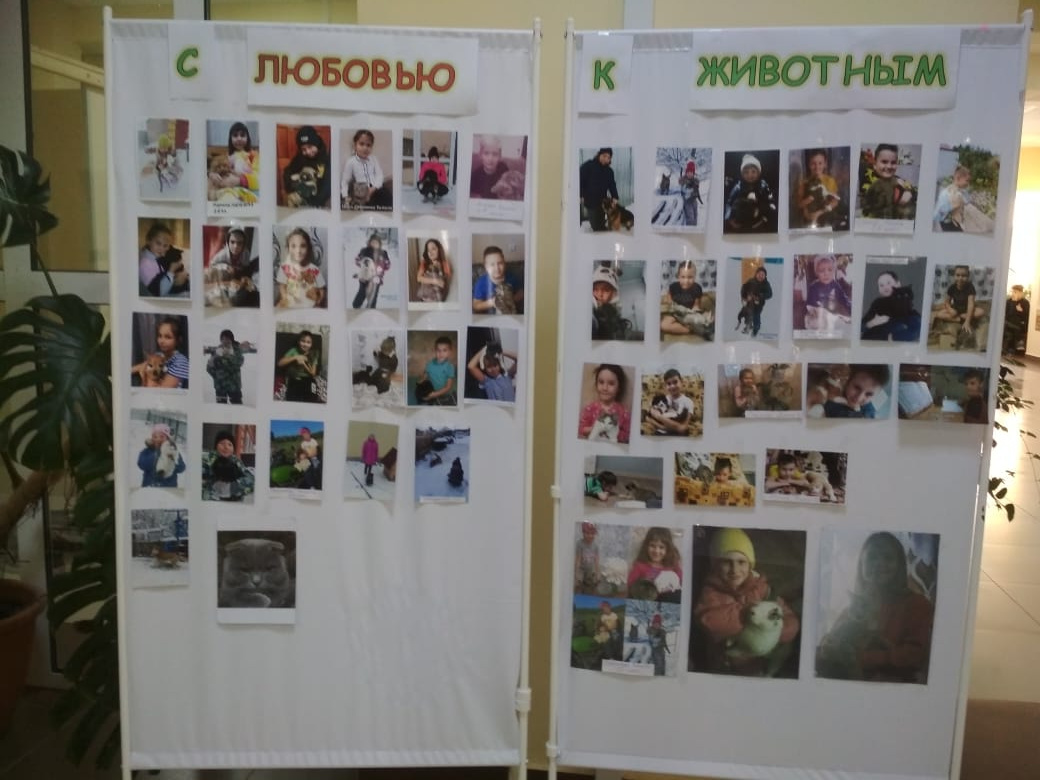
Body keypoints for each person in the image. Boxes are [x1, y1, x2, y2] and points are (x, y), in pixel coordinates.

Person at [816, 532, 934, 683]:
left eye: (888, 558)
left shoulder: (917, 604)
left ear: (899, 565)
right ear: (862, 564)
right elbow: (831, 642)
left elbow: (914, 656)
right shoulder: (854, 608)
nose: (878, 563)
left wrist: (863, 658)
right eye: (872, 557)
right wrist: (826, 647)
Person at [693, 528, 799, 676]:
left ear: (750, 565)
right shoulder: (711, 592)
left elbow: (787, 616)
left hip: (759, 662)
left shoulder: (762, 587)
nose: (735, 569)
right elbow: (711, 621)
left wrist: (777, 631)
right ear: (716, 565)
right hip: (726, 665)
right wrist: (749, 612)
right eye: (727, 562)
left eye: (741, 562)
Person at [859, 143, 916, 221]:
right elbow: (869, 202)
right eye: (884, 162)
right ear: (875, 164)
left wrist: (910, 192)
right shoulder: (867, 179)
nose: (889, 166)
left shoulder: (898, 179)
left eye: (893, 163)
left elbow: (914, 190)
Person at [931, 265, 983, 349]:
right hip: (956, 308)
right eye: (958, 275)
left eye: (964, 276)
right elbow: (947, 302)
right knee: (939, 314)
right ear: (954, 276)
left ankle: (960, 319)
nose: (960, 278)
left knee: (980, 312)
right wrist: (950, 309)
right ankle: (959, 318)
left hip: (966, 310)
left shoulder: (970, 287)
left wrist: (967, 321)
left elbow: (971, 304)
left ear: (968, 276)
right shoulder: (952, 287)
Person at [861, 270, 921, 342]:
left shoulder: (906, 304)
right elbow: (860, 327)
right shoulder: (877, 303)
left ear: (898, 283)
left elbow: (916, 331)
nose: (885, 287)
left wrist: (891, 337)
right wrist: (872, 323)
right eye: (881, 285)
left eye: (888, 283)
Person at [577, 364, 631, 444]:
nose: (605, 388)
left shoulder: (624, 413)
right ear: (596, 384)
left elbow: (628, 435)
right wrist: (594, 429)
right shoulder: (590, 409)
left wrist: (613, 432)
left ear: (619, 387)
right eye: (601, 382)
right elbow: (581, 429)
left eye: (611, 383)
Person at [627, 527, 682, 602]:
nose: (656, 551)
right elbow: (630, 585)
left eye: (661, 547)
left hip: (668, 601)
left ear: (668, 549)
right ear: (646, 546)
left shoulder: (673, 566)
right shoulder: (640, 566)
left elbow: (681, 583)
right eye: (652, 546)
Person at [724, 153, 777, 233]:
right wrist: (729, 218)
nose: (750, 175)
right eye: (746, 172)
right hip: (742, 218)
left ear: (758, 173)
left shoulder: (763, 185)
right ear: (742, 174)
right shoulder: (738, 187)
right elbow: (729, 203)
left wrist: (770, 205)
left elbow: (769, 198)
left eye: (753, 171)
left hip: (760, 218)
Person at [132, 316, 189, 389]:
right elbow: (140, 366)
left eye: (167, 337)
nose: (161, 341)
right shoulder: (159, 355)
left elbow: (161, 391)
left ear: (178, 340)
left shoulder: (181, 362)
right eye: (160, 336)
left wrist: (146, 374)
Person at [275, 228, 326, 308]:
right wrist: (285, 298)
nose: (298, 251)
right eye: (293, 246)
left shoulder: (314, 270)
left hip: (309, 306)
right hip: (291, 305)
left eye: (303, 246)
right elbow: (282, 286)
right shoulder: (285, 268)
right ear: (288, 248)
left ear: (308, 248)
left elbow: (321, 289)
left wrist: (318, 301)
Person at [281, 125, 330, 208]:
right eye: (303, 149)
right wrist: (291, 187)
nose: (308, 152)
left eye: (310, 147)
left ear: (316, 144)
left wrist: (313, 203)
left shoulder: (326, 160)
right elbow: (288, 171)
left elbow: (326, 187)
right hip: (300, 194)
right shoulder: (300, 157)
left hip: (317, 200)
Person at [209, 121, 259, 200]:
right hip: (227, 190)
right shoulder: (227, 157)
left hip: (248, 192)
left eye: (242, 135)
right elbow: (215, 169)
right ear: (230, 139)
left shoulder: (254, 155)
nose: (239, 138)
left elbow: (260, 179)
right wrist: (212, 175)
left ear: (248, 138)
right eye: (235, 135)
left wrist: (239, 181)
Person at [660, 260, 711, 338]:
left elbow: (697, 306)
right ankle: (689, 329)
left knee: (708, 319)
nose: (686, 281)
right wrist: (669, 302)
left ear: (695, 276)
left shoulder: (697, 288)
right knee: (663, 325)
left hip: (690, 313)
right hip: (676, 313)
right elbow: (669, 300)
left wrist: (696, 313)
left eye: (690, 277)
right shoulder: (673, 287)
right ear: (678, 276)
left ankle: (693, 326)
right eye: (683, 277)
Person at [794, 148, 842, 229]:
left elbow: (835, 202)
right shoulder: (804, 183)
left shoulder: (830, 181)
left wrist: (818, 213)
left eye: (820, 163)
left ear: (825, 164)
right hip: (809, 220)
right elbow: (799, 204)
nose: (817, 167)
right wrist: (807, 203)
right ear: (809, 165)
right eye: (813, 163)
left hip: (826, 218)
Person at [341, 129, 389, 210]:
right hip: (361, 191)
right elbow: (345, 181)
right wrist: (345, 196)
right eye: (361, 144)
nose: (365, 148)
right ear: (355, 145)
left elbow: (379, 175)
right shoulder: (351, 162)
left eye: (368, 145)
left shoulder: (373, 159)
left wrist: (373, 188)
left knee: (387, 197)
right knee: (364, 206)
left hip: (375, 188)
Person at [201, 430, 254, 501]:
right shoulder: (207, 459)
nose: (226, 447)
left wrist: (233, 487)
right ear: (216, 446)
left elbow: (250, 479)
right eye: (222, 443)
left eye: (230, 444)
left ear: (233, 448)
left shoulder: (236, 460)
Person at [138, 222, 188, 298]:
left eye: (165, 246)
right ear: (148, 241)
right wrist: (171, 270)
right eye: (158, 243)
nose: (162, 248)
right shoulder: (145, 264)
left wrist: (179, 277)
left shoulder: (156, 257)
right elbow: (160, 292)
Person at [803, 254, 852, 330]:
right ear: (817, 273)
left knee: (843, 322)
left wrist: (851, 308)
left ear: (834, 271)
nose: (826, 273)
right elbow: (810, 305)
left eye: (830, 270)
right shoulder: (814, 287)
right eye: (822, 271)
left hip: (831, 315)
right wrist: (816, 309)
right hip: (817, 315)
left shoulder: (835, 285)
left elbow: (844, 299)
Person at [823, 364, 889, 419]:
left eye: (869, 394)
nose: (859, 398)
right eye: (857, 388)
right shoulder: (831, 399)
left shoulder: (869, 409)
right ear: (847, 381)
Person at [473, 245, 524, 314]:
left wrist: (512, 299)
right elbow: (476, 305)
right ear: (486, 266)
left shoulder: (512, 277)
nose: (497, 268)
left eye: (500, 263)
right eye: (492, 264)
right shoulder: (481, 283)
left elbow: (521, 292)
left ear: (504, 263)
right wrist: (492, 302)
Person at [578, 147, 618, 232]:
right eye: (604, 156)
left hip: (603, 202)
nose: (606, 159)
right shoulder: (588, 166)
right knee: (596, 226)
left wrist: (615, 196)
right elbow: (579, 180)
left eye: (608, 157)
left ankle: (603, 228)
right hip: (591, 201)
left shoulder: (609, 171)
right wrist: (581, 194)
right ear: (599, 155)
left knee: (601, 221)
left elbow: (612, 184)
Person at [277, 330, 320, 403]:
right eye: (303, 341)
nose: (305, 344)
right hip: (294, 379)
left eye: (308, 342)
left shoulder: (314, 353)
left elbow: (313, 374)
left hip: (308, 379)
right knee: (292, 398)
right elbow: (280, 364)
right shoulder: (293, 350)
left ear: (311, 344)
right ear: (298, 342)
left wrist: (304, 364)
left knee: (312, 398)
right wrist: (296, 357)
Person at [137, 423, 186, 488]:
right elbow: (141, 464)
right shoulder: (147, 451)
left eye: (162, 437)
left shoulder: (172, 451)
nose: (158, 439)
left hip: (169, 487)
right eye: (155, 437)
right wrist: (156, 454)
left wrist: (174, 459)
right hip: (149, 486)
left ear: (167, 438)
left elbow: (181, 468)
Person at [647, 369, 694, 435]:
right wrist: (662, 426)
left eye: (675, 382)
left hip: (677, 436)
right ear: (665, 386)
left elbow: (682, 429)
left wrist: (659, 417)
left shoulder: (688, 402)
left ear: (681, 382)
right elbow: (648, 418)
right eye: (669, 384)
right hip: (659, 434)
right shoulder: (662, 399)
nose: (672, 386)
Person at [352, 233, 392, 309]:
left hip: (376, 278)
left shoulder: (383, 253)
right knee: (362, 292)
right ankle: (356, 305)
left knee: (373, 294)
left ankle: (371, 307)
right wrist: (361, 262)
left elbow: (388, 265)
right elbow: (357, 260)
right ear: (369, 242)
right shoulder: (364, 250)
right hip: (365, 276)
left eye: (376, 242)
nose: (374, 244)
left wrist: (386, 264)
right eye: (373, 242)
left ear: (379, 244)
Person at [206, 328, 244, 404]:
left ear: (231, 340)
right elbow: (209, 369)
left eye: (227, 339)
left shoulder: (236, 350)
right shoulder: (217, 351)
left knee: (237, 407)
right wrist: (213, 363)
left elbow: (239, 362)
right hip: (220, 387)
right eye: (223, 339)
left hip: (234, 387)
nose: (225, 341)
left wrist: (227, 356)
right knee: (221, 408)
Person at [417, 335, 456, 405]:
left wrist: (435, 394)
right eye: (438, 350)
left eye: (444, 350)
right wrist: (422, 379)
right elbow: (426, 374)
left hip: (444, 392)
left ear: (449, 352)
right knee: (420, 395)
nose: (441, 353)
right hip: (432, 390)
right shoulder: (430, 364)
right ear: (435, 351)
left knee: (445, 403)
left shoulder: (450, 367)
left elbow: (448, 387)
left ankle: (436, 400)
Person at [591, 264, 626, 340]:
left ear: (613, 294)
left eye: (606, 290)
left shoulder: (615, 312)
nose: (600, 294)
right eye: (595, 289)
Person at [933, 164, 970, 232]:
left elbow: (967, 202)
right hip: (949, 225)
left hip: (958, 224)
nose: (968, 183)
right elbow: (938, 214)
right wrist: (952, 206)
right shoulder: (947, 192)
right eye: (967, 180)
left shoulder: (963, 192)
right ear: (958, 178)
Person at [415, 238, 452, 304]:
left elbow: (443, 283)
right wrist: (435, 281)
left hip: (436, 297)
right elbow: (419, 278)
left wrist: (437, 267)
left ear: (439, 250)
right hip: (424, 297)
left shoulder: (445, 264)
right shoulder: (424, 263)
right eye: (428, 250)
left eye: (433, 249)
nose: (430, 252)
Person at [739, 266, 772, 337]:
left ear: (765, 276)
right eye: (759, 274)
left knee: (756, 316)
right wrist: (745, 297)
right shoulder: (751, 281)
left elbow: (770, 294)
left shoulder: (766, 284)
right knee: (748, 314)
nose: (760, 276)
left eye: (762, 275)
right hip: (749, 303)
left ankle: (756, 328)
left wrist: (760, 296)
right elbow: (743, 288)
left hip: (758, 304)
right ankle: (748, 326)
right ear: (756, 274)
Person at [574, 521, 600, 594]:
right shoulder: (579, 544)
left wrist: (597, 573)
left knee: (590, 585)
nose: (590, 535)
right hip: (581, 568)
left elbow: (596, 560)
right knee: (578, 584)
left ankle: (587, 593)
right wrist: (576, 573)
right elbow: (578, 559)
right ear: (583, 533)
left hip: (590, 569)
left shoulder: (596, 546)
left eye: (592, 533)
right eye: (587, 533)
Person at [1003, 285, 1030, 354]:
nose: (1013, 294)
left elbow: (1027, 317)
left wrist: (1021, 311)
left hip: (1019, 325)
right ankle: (1007, 349)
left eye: (1015, 292)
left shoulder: (1025, 303)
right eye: (1012, 292)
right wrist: (1013, 302)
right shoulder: (1009, 301)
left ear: (1021, 293)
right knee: (1006, 325)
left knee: (1012, 327)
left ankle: (1012, 349)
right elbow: (1007, 314)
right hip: (1009, 323)